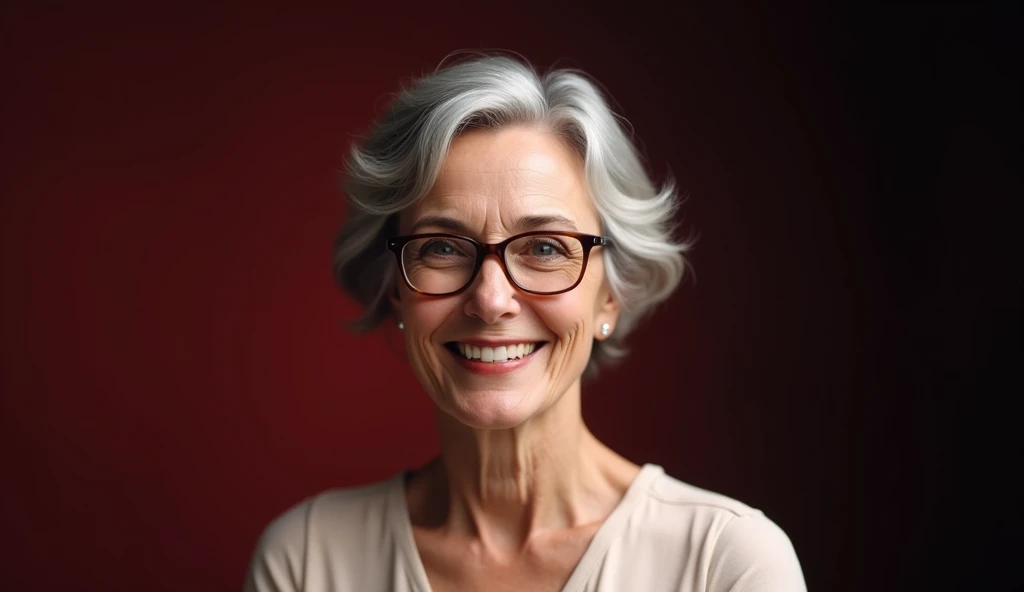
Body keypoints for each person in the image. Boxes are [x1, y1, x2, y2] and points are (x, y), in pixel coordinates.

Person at [244, 52, 806, 591]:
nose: (491, 300)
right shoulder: (307, 561)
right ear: (395, 292)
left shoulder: (726, 563)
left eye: (543, 247)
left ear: (610, 294)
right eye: (442, 247)